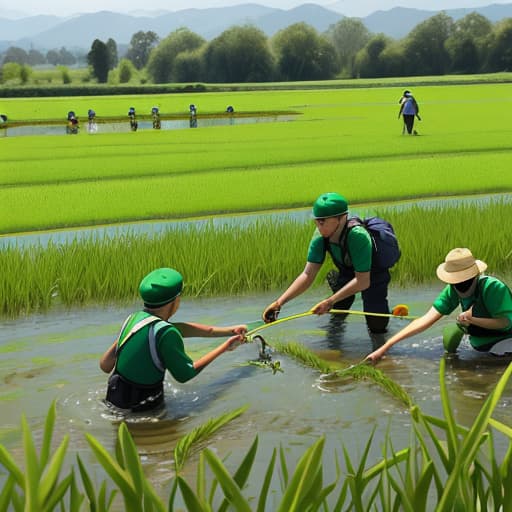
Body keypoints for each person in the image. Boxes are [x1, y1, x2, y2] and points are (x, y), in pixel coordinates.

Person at [100, 267, 247, 413]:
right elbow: (185, 374)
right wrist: (225, 347)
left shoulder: (133, 319)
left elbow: (105, 364)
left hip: (114, 399)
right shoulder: (166, 332)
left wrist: (230, 331)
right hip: (144, 409)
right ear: (175, 301)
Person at [262, 192, 392, 337]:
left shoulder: (358, 236)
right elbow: (307, 274)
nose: (318, 226)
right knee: (339, 311)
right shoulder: (320, 237)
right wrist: (279, 302)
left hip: (373, 275)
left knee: (377, 325)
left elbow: (363, 281)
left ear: (341, 218)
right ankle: (334, 343)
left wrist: (328, 301)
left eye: (322, 222)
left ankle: (381, 353)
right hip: (348, 272)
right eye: (316, 221)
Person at [366, 248, 512, 362]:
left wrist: (473, 320)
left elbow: (505, 323)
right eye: (455, 281)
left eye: (464, 280)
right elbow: (424, 320)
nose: (459, 285)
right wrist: (385, 347)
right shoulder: (452, 290)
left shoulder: (492, 288)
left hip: (505, 340)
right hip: (480, 344)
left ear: (475, 275)